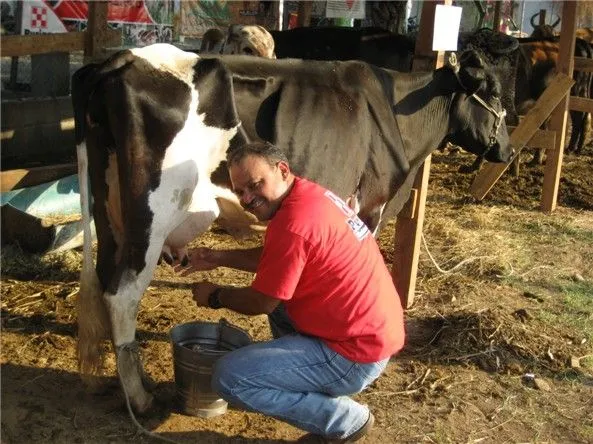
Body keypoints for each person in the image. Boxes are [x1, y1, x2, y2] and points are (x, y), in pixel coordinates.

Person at [176, 141, 405, 443]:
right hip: (370, 331)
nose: (247, 198)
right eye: (240, 191)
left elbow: (262, 302)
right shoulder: (308, 196)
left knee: (229, 378)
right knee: (285, 302)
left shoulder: (295, 223)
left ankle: (344, 420)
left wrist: (215, 296)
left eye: (255, 185)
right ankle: (300, 377)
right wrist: (217, 258)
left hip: (354, 355)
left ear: (282, 170)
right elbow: (279, 257)